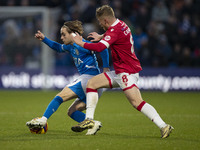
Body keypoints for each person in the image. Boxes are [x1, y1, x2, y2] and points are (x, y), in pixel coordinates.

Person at [70, 5, 174, 138]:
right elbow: (113, 34)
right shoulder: (121, 24)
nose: (100, 25)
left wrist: (80, 43)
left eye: (101, 22)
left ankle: (164, 126)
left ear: (106, 20)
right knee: (92, 83)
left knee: (137, 102)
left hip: (126, 72)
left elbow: (100, 47)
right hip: (120, 71)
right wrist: (102, 35)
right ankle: (88, 119)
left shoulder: (114, 30)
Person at [26, 20, 110, 135]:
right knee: (72, 111)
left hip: (89, 79)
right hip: (96, 87)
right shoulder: (70, 47)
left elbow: (104, 48)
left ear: (73, 34)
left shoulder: (83, 44)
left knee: (59, 97)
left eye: (63, 34)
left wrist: (106, 69)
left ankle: (43, 120)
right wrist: (44, 39)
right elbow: (58, 47)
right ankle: (93, 123)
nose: (61, 37)